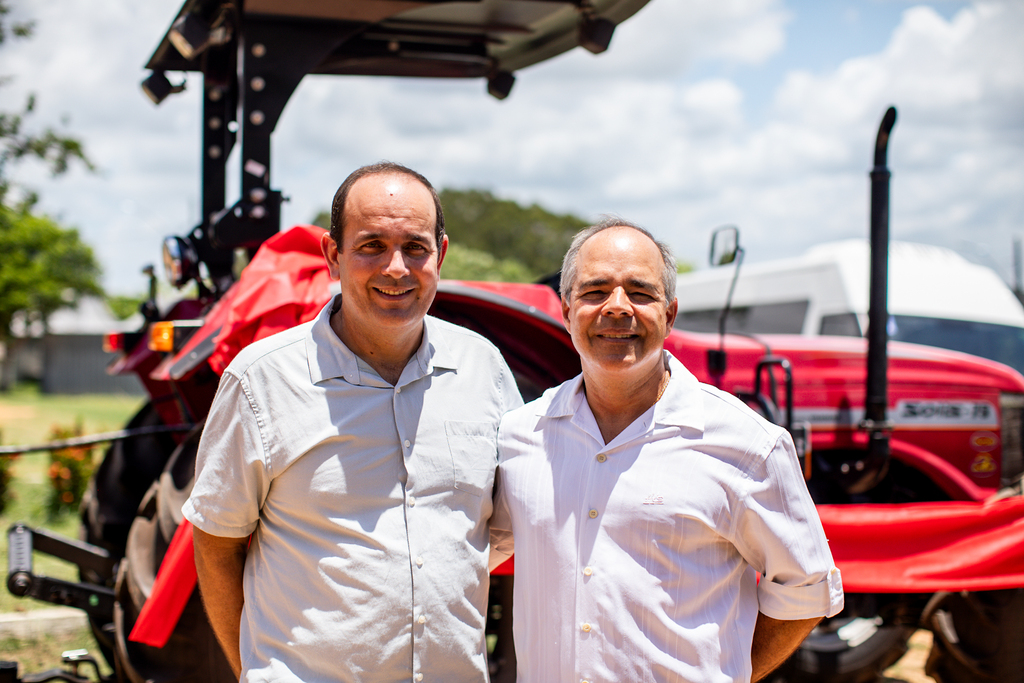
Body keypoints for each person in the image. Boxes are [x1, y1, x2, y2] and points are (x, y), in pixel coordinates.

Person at [184, 161, 523, 682]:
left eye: (415, 247)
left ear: (441, 254)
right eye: (371, 246)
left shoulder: (484, 370)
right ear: (332, 255)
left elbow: (497, 527)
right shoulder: (262, 380)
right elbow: (216, 539)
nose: (395, 268)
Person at [490, 218, 843, 683]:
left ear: (670, 314)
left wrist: (731, 672)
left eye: (640, 293)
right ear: (566, 311)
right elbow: (475, 550)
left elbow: (805, 590)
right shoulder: (521, 436)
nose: (618, 308)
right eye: (596, 292)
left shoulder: (745, 444)